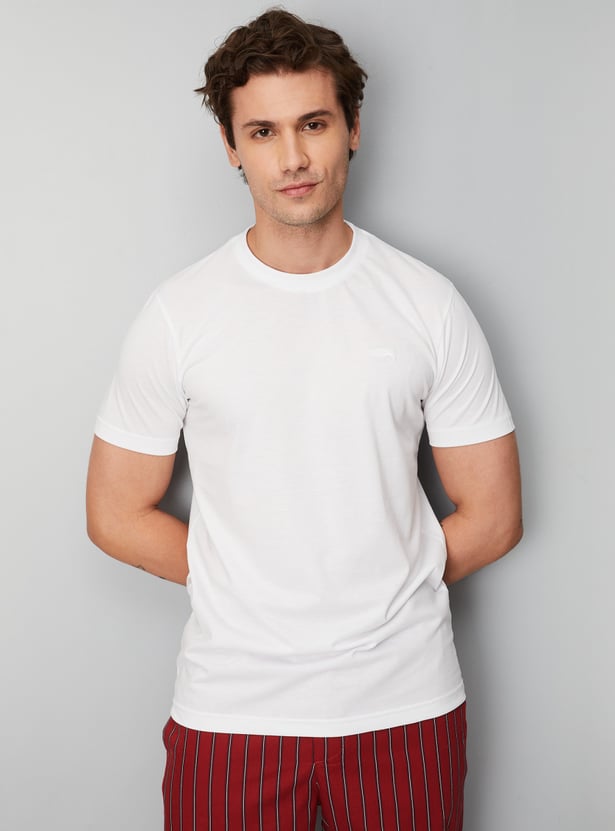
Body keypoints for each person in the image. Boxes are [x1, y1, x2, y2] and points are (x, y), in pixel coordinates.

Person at [86, 9, 522, 830]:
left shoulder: (428, 304)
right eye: (262, 132)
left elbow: (495, 516)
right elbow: (113, 512)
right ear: (231, 146)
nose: (291, 158)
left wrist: (379, 584)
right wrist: (245, 584)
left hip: (404, 704)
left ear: (352, 128)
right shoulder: (179, 313)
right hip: (231, 708)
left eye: (313, 124)